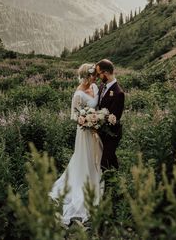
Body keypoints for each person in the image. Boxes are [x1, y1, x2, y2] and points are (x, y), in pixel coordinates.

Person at [49, 63, 103, 225]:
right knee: (85, 158)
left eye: (95, 75)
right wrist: (84, 120)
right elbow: (73, 114)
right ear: (86, 76)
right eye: (93, 75)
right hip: (85, 131)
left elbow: (98, 105)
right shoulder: (78, 94)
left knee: (98, 155)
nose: (95, 77)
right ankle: (85, 185)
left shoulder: (94, 86)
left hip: (96, 129)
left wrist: (98, 118)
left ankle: (97, 178)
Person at [96, 59, 125, 170]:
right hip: (101, 131)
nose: (98, 76)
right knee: (110, 158)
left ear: (106, 73)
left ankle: (106, 185)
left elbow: (115, 118)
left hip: (112, 133)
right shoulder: (102, 86)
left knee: (104, 163)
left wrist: (98, 119)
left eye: (99, 74)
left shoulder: (118, 93)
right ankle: (117, 178)